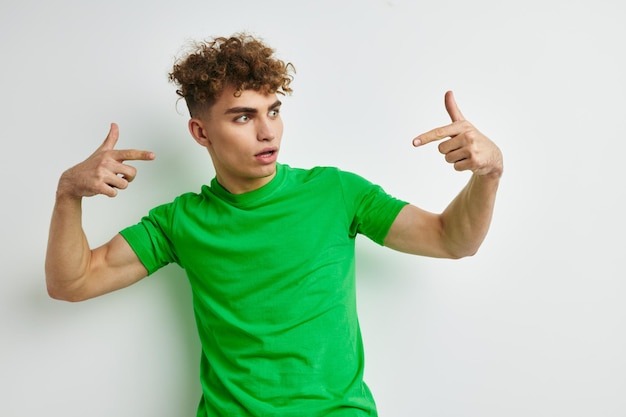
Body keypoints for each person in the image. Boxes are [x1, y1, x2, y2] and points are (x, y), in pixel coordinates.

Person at [45, 33, 503, 417]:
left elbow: (451, 240)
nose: (268, 132)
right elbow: (73, 281)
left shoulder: (336, 193)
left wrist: (490, 174)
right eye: (243, 116)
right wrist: (68, 194)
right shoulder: (179, 221)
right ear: (201, 133)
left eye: (274, 110)